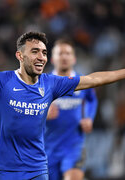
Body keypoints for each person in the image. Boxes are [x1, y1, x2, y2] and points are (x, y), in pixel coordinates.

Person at [0, 31, 125, 180]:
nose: (41, 57)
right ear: (20, 56)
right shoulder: (1, 82)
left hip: (38, 169)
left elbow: (93, 79)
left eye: (44, 52)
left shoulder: (51, 83)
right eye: (35, 51)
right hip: (6, 171)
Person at [45, 39, 98, 180]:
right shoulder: (42, 84)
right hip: (47, 149)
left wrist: (89, 117)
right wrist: (42, 112)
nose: (64, 57)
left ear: (73, 59)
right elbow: (26, 112)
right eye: (60, 53)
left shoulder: (82, 82)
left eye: (68, 53)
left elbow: (92, 100)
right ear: (52, 59)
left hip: (74, 146)